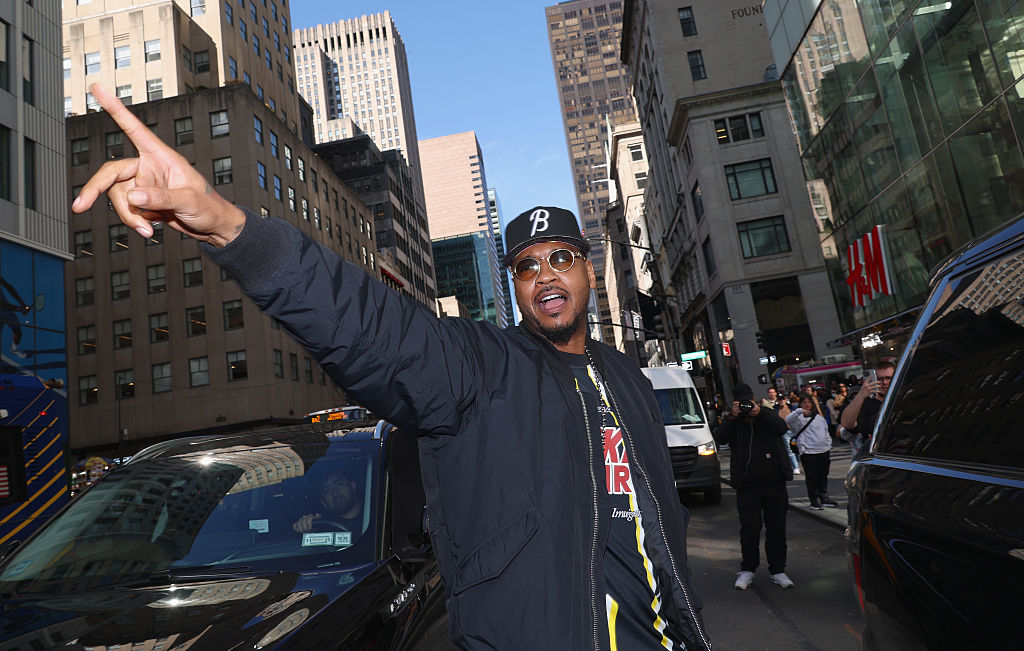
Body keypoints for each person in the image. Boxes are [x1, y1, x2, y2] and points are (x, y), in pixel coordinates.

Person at [72, 83, 711, 651]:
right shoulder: (482, 368)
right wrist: (227, 226)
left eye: (561, 258)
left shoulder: (629, 380)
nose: (545, 275)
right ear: (513, 286)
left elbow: (662, 527)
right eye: (526, 265)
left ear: (589, 272)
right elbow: (373, 325)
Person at [713, 382, 794, 591]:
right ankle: (748, 568)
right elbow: (719, 437)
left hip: (775, 482)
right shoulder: (734, 420)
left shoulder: (765, 414)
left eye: (749, 402)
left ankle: (778, 570)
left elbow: (782, 428)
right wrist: (733, 416)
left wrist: (761, 413)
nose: (746, 407)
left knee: (777, 528)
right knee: (750, 529)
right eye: (742, 403)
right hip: (747, 486)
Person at [785, 395, 836, 510]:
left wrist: (828, 444)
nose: (807, 404)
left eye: (809, 402)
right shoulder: (797, 419)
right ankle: (814, 500)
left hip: (823, 450)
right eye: (804, 402)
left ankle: (824, 497)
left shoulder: (819, 418)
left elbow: (825, 432)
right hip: (808, 452)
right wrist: (799, 411)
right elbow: (788, 420)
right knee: (812, 477)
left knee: (823, 475)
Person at [840, 362, 895, 459]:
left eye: (888, 378)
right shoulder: (866, 403)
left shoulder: (904, 399)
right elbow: (846, 423)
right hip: (878, 459)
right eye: (880, 379)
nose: (885, 382)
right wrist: (861, 394)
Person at [293, 469, 365, 535]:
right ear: (323, 502)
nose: (335, 493)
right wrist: (308, 527)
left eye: (339, 484)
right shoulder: (325, 528)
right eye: (327, 491)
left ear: (353, 486)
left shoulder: (372, 514)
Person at [764, 387, 799, 475]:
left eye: (782, 399)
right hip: (785, 432)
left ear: (785, 399)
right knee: (789, 450)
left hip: (795, 430)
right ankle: (796, 467)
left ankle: (796, 463)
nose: (781, 401)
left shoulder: (792, 407)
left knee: (798, 448)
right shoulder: (775, 409)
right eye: (779, 399)